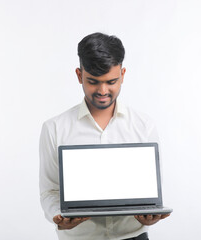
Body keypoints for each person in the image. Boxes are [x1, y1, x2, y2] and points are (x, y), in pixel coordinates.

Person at [39, 32, 170, 240]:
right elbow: (50, 191)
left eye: (111, 81)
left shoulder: (144, 126)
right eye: (93, 81)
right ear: (79, 75)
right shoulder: (54, 128)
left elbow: (152, 191)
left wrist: (150, 215)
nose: (102, 90)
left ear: (123, 75)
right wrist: (58, 216)